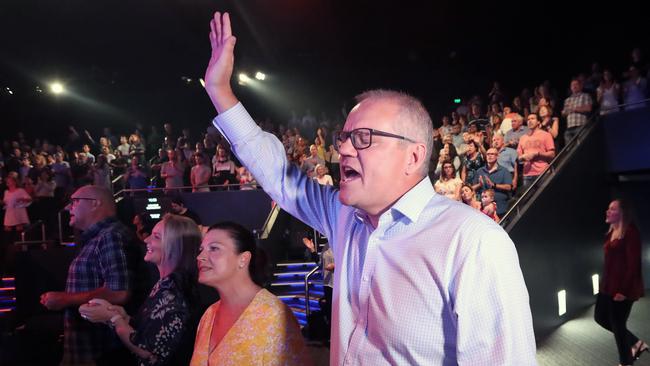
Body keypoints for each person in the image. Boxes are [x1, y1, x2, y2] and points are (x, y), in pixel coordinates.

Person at [201, 12, 536, 364]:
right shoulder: (344, 216)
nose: (344, 149)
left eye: (363, 138)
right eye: (344, 138)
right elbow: (279, 176)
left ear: (413, 156)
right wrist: (219, 91)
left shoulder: (472, 243)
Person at [79, 214, 201, 366]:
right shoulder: (167, 284)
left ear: (175, 245)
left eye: (156, 237)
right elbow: (152, 330)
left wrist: (113, 319)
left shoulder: (172, 290)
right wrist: (123, 317)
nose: (146, 240)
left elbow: (148, 351)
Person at [190, 222, 311, 365]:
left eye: (214, 248)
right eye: (201, 249)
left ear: (243, 259)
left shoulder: (273, 316)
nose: (200, 257)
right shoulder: (209, 316)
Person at [40, 185, 132, 365]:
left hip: (99, 351)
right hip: (89, 350)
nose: (68, 207)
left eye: (74, 201)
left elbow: (119, 292)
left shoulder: (110, 236)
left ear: (95, 204)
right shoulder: (100, 237)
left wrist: (65, 299)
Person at [594, 199, 647, 366]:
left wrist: (623, 291)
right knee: (600, 317)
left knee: (618, 326)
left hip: (623, 290)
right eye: (608, 208)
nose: (607, 211)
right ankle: (636, 343)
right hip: (607, 287)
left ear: (622, 213)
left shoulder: (630, 233)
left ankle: (626, 362)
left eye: (612, 209)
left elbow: (633, 265)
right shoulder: (611, 232)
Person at [561, 79, 593, 144]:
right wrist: (564, 112)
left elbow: (588, 108)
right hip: (569, 127)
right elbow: (564, 113)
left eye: (576, 84)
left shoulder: (585, 96)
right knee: (570, 149)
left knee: (582, 145)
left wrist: (574, 109)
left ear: (580, 86)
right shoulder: (568, 100)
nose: (574, 86)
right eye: (572, 85)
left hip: (581, 125)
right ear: (570, 88)